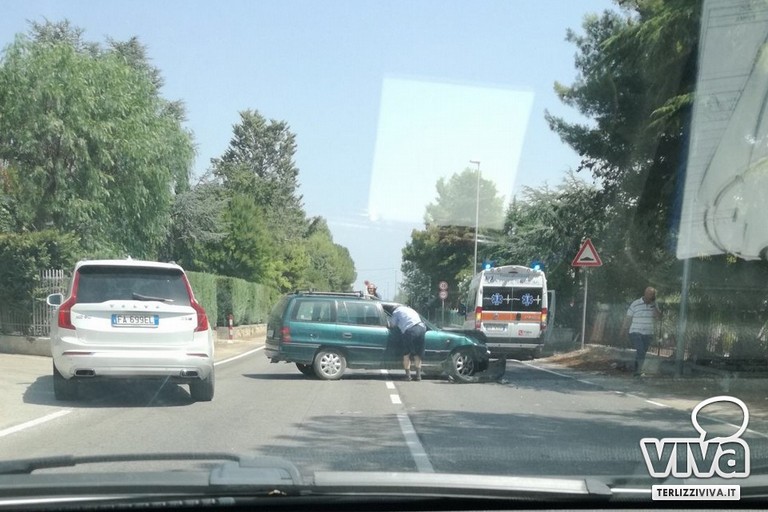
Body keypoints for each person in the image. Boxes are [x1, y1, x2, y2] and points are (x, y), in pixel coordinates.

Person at [622, 286, 662, 377]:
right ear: (644, 293)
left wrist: (654, 306)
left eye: (652, 295)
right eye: (648, 294)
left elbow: (659, 317)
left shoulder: (654, 305)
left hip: (648, 333)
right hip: (635, 331)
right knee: (640, 350)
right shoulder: (635, 303)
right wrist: (624, 329)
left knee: (643, 352)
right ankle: (637, 371)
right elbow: (628, 317)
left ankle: (637, 371)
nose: (649, 296)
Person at [390, 304, 427, 381]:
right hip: (422, 328)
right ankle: (418, 376)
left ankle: (408, 376)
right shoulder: (410, 309)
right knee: (417, 354)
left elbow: (392, 325)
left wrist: (388, 324)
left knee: (406, 354)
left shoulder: (396, 311)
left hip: (410, 330)